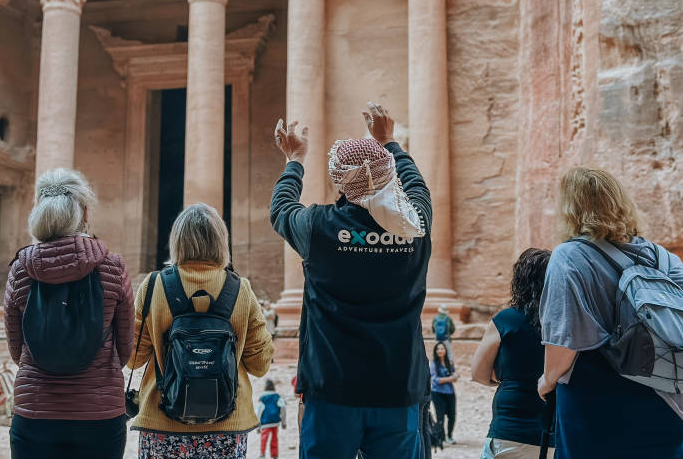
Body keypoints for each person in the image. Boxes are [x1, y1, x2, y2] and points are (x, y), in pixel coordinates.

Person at [271, 102, 432, 458]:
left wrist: (295, 159)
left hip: (331, 388)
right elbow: (417, 186)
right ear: (390, 174)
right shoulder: (416, 226)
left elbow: (281, 207)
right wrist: (390, 141)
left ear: (337, 179)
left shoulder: (318, 228)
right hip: (397, 388)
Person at [537, 167, 683, 459]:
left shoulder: (569, 256)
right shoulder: (665, 259)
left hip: (596, 411)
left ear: (571, 209)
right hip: (670, 404)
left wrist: (547, 381)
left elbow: (565, 342)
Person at [4, 168, 135, 459]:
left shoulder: (20, 270)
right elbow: (125, 348)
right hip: (100, 414)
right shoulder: (113, 268)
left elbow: (16, 348)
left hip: (35, 409)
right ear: (85, 213)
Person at [130, 203, 274, 459]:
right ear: (221, 241)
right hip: (226, 426)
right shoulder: (241, 289)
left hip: (162, 422)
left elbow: (132, 359)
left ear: (177, 241)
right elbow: (261, 364)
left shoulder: (153, 285)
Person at [472, 248, 555, 458]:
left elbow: (478, 374)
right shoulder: (567, 322)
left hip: (511, 429)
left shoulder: (506, 320)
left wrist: (504, 380)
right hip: (556, 432)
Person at [430, 342, 457, 445]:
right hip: (437, 393)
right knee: (440, 417)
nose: (440, 351)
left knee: (452, 416)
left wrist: (455, 375)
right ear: (435, 351)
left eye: (442, 349)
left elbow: (454, 373)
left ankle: (449, 436)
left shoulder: (449, 363)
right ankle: (440, 438)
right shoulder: (433, 364)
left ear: (445, 350)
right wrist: (450, 378)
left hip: (450, 392)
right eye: (438, 349)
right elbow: (435, 380)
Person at [256, 379, 286, 459]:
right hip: (275, 421)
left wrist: (257, 426)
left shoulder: (262, 398)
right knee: (274, 438)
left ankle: (262, 454)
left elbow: (258, 412)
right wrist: (284, 422)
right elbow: (283, 409)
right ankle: (274, 455)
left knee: (264, 438)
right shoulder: (277, 396)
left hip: (265, 422)